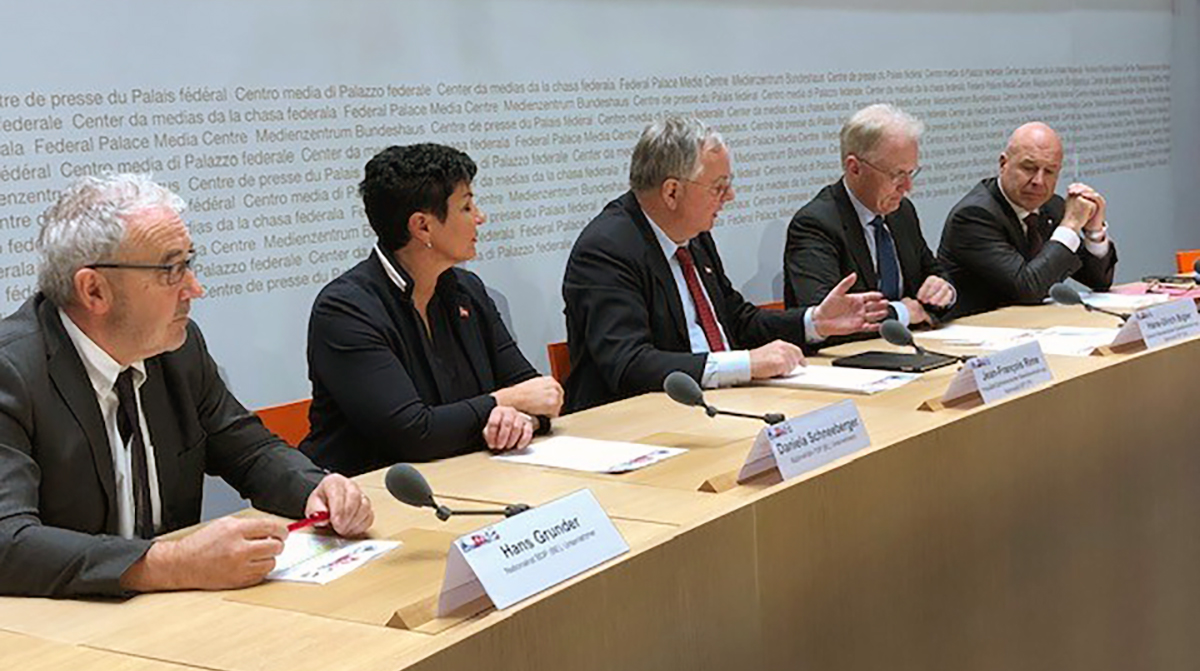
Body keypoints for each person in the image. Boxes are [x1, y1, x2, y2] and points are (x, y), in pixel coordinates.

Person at [0, 174, 374, 599]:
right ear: (94, 290)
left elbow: (250, 450)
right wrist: (175, 564)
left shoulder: (178, 348)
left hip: (172, 617)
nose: (194, 289)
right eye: (170, 270)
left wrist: (315, 488)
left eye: (189, 264)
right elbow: (7, 542)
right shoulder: (12, 371)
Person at [562, 117, 889, 412]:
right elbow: (629, 364)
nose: (730, 196)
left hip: (722, 406)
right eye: (719, 187)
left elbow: (737, 321)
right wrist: (745, 364)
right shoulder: (607, 248)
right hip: (640, 423)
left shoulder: (694, 236)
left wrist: (814, 322)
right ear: (672, 192)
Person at [302, 144, 562, 476]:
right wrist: (503, 403)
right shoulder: (345, 310)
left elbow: (538, 392)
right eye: (467, 207)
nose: (480, 217)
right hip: (368, 496)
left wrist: (518, 419)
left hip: (466, 476)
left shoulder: (468, 291)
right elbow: (413, 434)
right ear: (422, 227)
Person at [784, 104, 954, 333]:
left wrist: (944, 290)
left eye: (911, 172)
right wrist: (903, 313)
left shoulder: (902, 213)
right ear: (854, 168)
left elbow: (934, 272)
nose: (907, 187)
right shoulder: (815, 225)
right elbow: (828, 317)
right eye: (896, 174)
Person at [938, 122, 1117, 317]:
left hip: (1029, 327)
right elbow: (1028, 289)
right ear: (1003, 164)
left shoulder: (1051, 206)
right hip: (976, 331)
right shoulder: (975, 215)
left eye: (1049, 171)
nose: (1038, 181)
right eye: (1029, 168)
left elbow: (1099, 280)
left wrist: (1094, 231)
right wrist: (1071, 225)